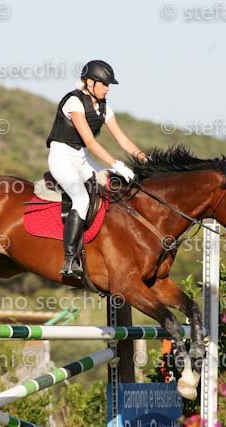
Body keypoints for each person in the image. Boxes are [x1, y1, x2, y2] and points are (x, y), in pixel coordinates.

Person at [46, 59, 148, 279]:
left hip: (81, 158)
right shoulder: (74, 102)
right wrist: (117, 165)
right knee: (81, 199)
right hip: (61, 156)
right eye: (103, 83)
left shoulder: (104, 109)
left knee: (115, 187)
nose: (107, 88)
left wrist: (144, 158)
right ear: (90, 82)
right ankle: (70, 260)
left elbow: (122, 140)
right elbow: (91, 142)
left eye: (108, 84)